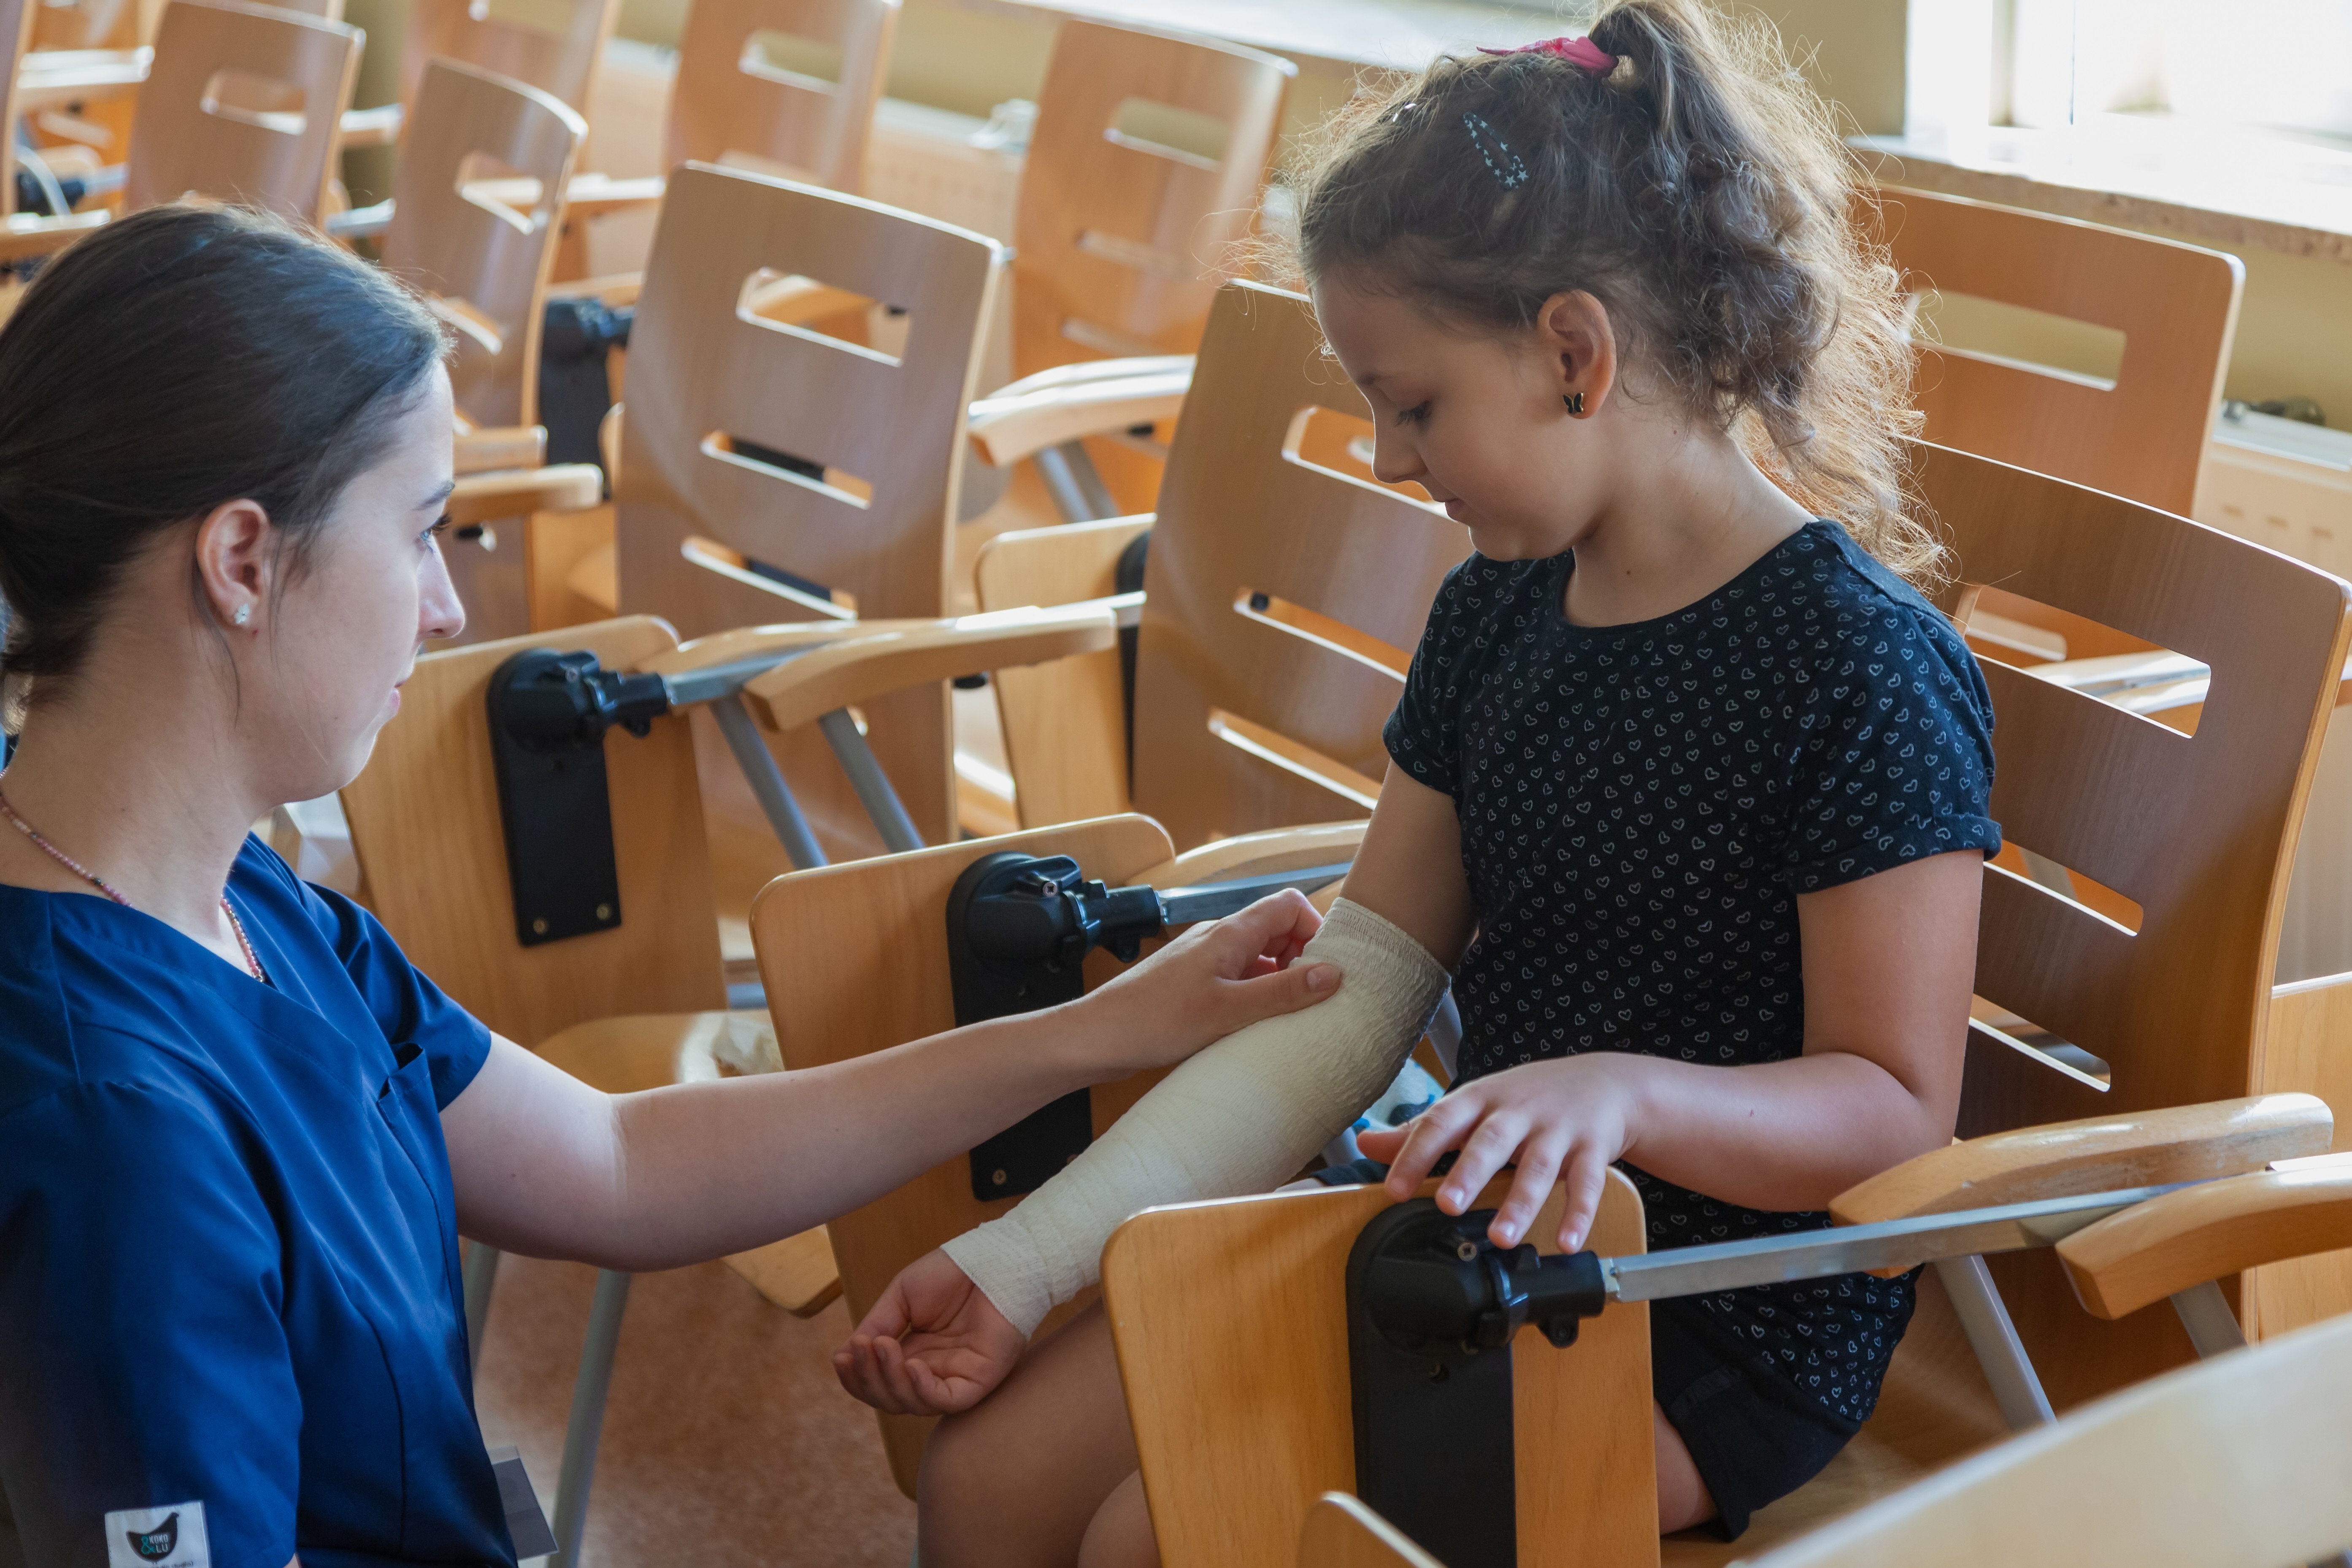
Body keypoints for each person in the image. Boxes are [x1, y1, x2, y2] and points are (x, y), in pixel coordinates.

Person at [0, 201, 1345, 1568]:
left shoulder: (229, 897)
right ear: (240, 562)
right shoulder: (118, 1132)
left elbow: (618, 1160)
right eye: (420, 534)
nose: (446, 606)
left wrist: (1092, 1032)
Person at [832, 3, 2000, 1562]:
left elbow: (1894, 1111)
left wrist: (1623, 1093)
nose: (1389, 456)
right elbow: (1362, 984)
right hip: (1473, 1248)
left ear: (1574, 354)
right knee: (982, 1480)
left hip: (1708, 1312)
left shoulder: (1859, 665)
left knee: (1157, 1537)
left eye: (1415, 403)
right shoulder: (1497, 607)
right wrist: (1027, 1261)